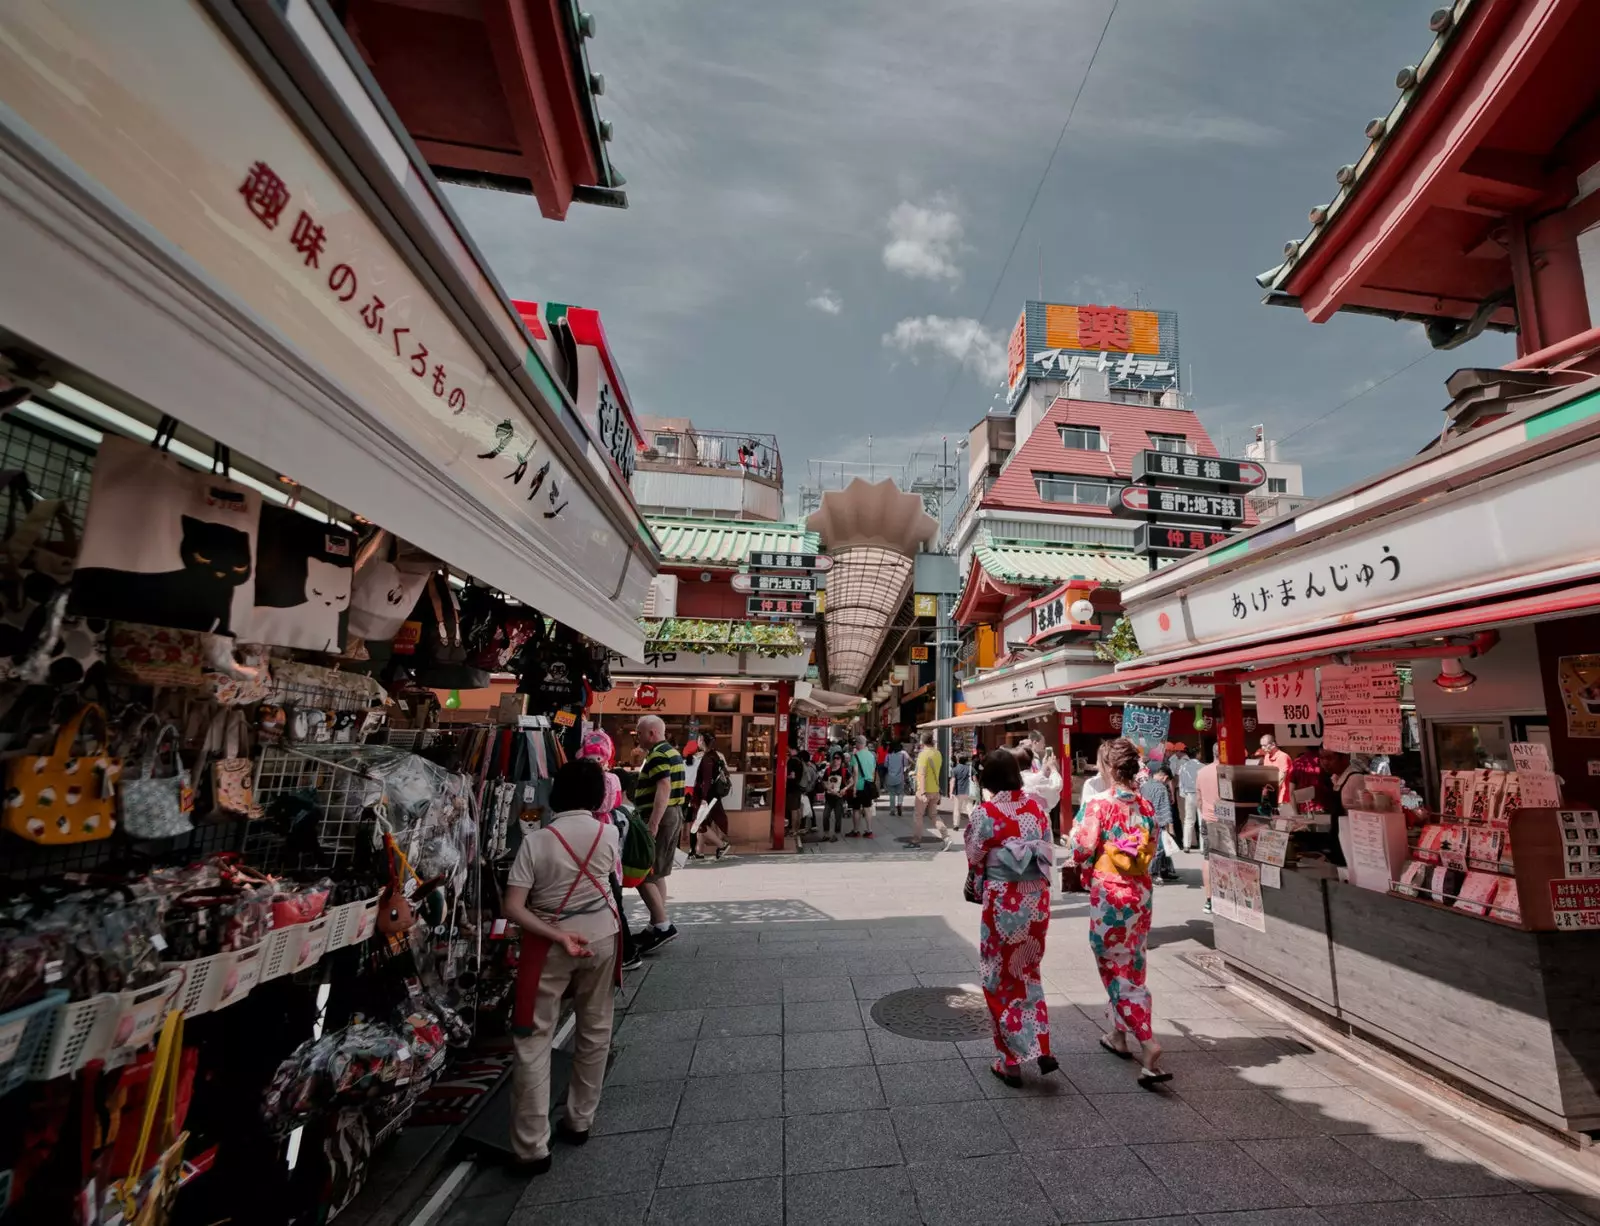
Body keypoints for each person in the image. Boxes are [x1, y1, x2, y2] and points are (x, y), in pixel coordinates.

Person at [504, 757, 620, 1172]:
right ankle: (580, 1120)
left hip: (549, 946)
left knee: (534, 1038)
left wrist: (556, 935)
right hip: (603, 937)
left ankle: (531, 1146)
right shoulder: (609, 833)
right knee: (595, 1028)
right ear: (596, 797)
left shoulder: (536, 842)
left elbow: (513, 907)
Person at [1070, 738, 1171, 1087]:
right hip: (1140, 892)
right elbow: (1153, 845)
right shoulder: (1146, 806)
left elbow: (1081, 848)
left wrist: (1080, 843)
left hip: (1110, 893)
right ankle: (1117, 1035)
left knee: (1113, 966)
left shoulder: (1100, 804)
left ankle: (1147, 1040)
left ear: (1110, 769)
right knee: (1133, 963)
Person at [964, 748, 1057, 1088]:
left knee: (998, 976)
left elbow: (975, 856)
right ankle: (1039, 1044)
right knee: (1027, 970)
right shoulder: (1037, 807)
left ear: (986, 779)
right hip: (1035, 899)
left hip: (1004, 900)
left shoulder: (985, 812)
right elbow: (1045, 847)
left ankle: (1010, 1061)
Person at [576, 729, 639, 972]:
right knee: (612, 896)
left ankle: (626, 951)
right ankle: (623, 951)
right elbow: (613, 804)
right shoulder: (612, 779)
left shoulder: (583, 777)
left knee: (608, 896)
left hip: (591, 836)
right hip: (607, 837)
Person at [631, 715, 684, 952]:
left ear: (651, 733)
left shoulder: (659, 754)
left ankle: (662, 925)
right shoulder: (671, 752)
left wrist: (652, 823)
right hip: (672, 815)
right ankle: (656, 923)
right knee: (658, 872)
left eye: (639, 732)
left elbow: (663, 787)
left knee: (644, 873)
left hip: (662, 817)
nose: (637, 736)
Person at [689, 732, 731, 860]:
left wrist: (703, 799)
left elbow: (706, 781)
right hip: (713, 796)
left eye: (698, 739)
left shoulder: (707, 758)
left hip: (707, 797)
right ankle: (699, 852)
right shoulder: (715, 755)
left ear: (702, 741)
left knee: (700, 824)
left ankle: (721, 845)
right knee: (704, 821)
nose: (697, 741)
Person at [1139, 760, 1180, 883]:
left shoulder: (1144, 786)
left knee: (1154, 848)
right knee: (1160, 849)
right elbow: (1165, 808)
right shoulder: (1162, 788)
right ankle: (1154, 873)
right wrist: (1170, 826)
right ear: (1165, 777)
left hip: (1145, 820)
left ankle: (1162, 870)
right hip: (1159, 821)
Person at [1195, 751, 1219, 913]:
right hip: (1227, 820)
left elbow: (1199, 799)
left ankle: (1209, 899)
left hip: (1207, 818)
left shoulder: (1202, 772)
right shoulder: (1228, 769)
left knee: (1208, 857)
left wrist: (1205, 812)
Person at [912, 732, 945, 847]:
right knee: (934, 815)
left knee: (918, 815)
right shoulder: (938, 754)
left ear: (922, 741)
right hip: (935, 789)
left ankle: (916, 841)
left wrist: (922, 792)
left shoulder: (923, 755)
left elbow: (921, 774)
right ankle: (946, 836)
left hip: (924, 790)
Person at [848, 735, 877, 838]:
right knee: (867, 808)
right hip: (869, 785)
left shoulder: (855, 756)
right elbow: (873, 771)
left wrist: (854, 787)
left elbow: (855, 772)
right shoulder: (872, 756)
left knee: (856, 809)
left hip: (859, 785)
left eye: (856, 743)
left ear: (858, 744)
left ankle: (856, 831)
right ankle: (869, 831)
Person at [1177, 742, 1204, 852]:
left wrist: (1183, 794)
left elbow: (1181, 783)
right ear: (1197, 754)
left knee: (1188, 820)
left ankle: (1186, 845)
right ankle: (1203, 847)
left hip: (1189, 795)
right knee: (1202, 820)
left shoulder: (1184, 767)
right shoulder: (1202, 767)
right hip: (1200, 794)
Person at [822, 747, 849, 841]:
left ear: (841, 760)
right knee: (825, 815)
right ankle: (826, 834)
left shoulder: (844, 771)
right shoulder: (828, 770)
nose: (836, 760)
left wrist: (845, 789)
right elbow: (824, 781)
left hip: (839, 797)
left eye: (838, 758)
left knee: (838, 816)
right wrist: (827, 787)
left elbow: (852, 781)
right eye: (834, 758)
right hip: (829, 797)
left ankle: (836, 835)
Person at [1260, 734, 1293, 805]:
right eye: (1261, 745)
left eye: (1265, 745)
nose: (1262, 748)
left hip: (1283, 798)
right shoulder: (1266, 757)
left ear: (1273, 744)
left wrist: (1271, 792)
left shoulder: (1283, 756)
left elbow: (1281, 778)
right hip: (1271, 796)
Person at [883, 741, 910, 816]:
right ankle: (899, 803)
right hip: (900, 777)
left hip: (890, 777)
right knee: (900, 792)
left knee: (892, 794)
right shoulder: (902, 755)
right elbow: (906, 764)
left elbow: (885, 765)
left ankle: (892, 810)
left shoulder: (888, 755)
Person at [949, 752, 974, 832]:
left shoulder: (955, 769)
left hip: (958, 791)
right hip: (969, 791)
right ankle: (973, 824)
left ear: (958, 760)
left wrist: (950, 793)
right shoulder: (970, 768)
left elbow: (952, 781)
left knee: (957, 809)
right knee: (969, 808)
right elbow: (975, 779)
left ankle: (956, 825)